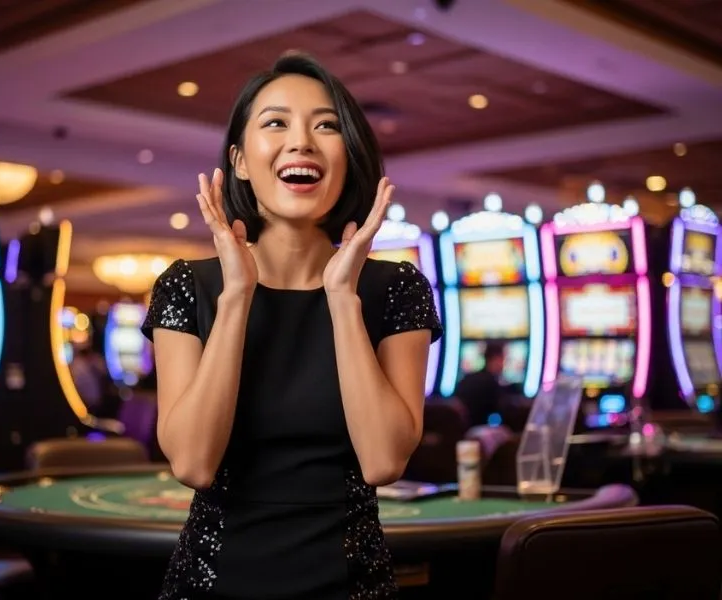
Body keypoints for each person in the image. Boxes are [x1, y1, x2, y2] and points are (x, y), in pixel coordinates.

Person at [141, 53, 442, 599]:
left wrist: (342, 297)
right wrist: (236, 295)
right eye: (276, 122)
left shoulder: (396, 288)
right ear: (238, 160)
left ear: (347, 157)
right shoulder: (189, 285)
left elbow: (383, 460)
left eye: (326, 125)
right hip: (211, 584)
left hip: (352, 586)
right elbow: (193, 462)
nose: (302, 141)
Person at [454, 341, 505, 428]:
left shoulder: (467, 378)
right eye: (502, 360)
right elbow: (496, 415)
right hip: (482, 430)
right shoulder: (491, 383)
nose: (503, 365)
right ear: (495, 359)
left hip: (462, 430)